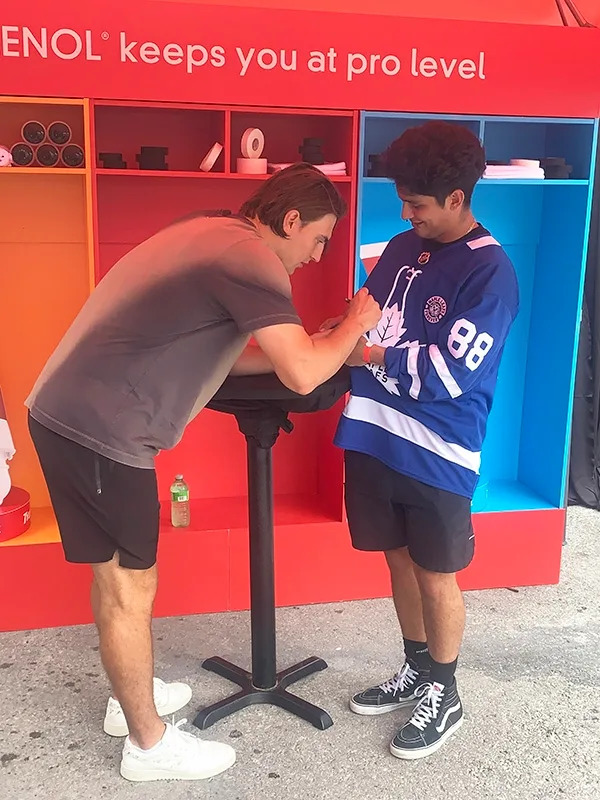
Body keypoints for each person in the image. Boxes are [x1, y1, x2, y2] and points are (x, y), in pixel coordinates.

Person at [25, 163, 381, 783]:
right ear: (291, 221)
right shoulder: (251, 258)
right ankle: (148, 745)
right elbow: (299, 374)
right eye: (319, 240)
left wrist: (317, 346)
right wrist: (351, 324)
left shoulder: (209, 230)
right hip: (101, 432)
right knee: (129, 587)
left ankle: (127, 699)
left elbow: (228, 353)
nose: (316, 256)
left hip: (67, 415)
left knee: (114, 578)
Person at [331, 122, 519, 759]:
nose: (404, 214)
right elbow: (363, 313)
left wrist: (365, 354)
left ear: (459, 199)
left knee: (438, 574)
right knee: (398, 560)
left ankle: (446, 687)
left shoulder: (492, 274)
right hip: (373, 435)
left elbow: (446, 374)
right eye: (403, 201)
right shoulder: (400, 247)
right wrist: (338, 338)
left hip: (438, 450)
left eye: (416, 204)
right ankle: (416, 666)